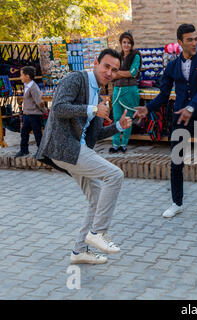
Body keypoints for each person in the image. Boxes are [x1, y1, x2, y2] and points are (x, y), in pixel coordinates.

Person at [36, 49, 132, 264]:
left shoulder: (98, 94)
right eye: (106, 66)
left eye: (114, 70)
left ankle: (80, 251)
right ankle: (98, 233)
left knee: (96, 198)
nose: (109, 72)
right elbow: (59, 107)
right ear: (96, 63)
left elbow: (95, 134)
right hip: (63, 147)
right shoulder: (76, 79)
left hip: (78, 150)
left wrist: (118, 126)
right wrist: (91, 109)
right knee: (115, 175)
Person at [134, 24, 197, 218]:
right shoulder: (171, 66)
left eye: (196, 38)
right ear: (180, 42)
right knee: (176, 161)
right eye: (190, 39)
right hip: (179, 119)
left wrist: (191, 107)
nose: (194, 43)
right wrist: (148, 108)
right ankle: (176, 203)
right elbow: (163, 95)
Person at [110, 32, 141, 153]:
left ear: (131, 44)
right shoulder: (117, 56)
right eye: (124, 42)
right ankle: (115, 144)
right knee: (117, 117)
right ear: (121, 43)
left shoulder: (136, 56)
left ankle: (124, 144)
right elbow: (112, 74)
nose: (126, 45)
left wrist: (118, 73)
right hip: (117, 90)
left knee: (128, 118)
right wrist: (121, 73)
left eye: (128, 42)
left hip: (130, 90)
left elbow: (132, 73)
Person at [15, 66, 45, 157]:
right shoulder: (27, 86)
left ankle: (41, 151)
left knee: (37, 134)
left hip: (35, 115)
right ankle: (24, 150)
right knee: (24, 132)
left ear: (27, 76)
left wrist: (44, 111)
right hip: (28, 114)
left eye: (21, 75)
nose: (20, 77)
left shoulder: (33, 87)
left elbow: (39, 101)